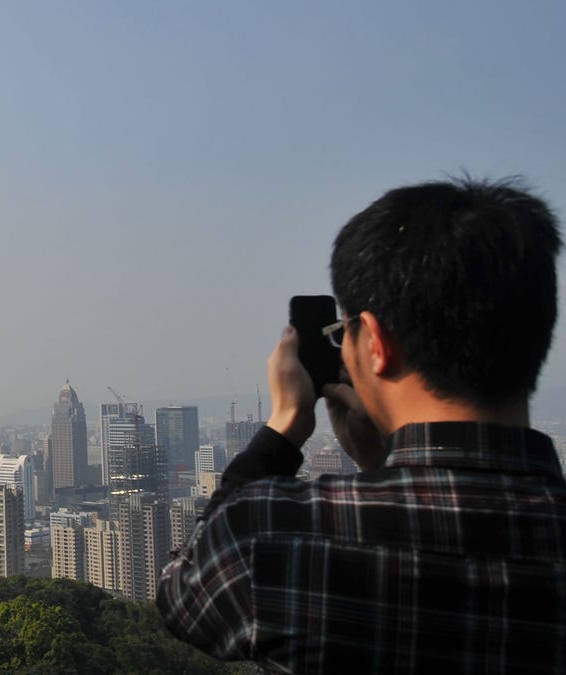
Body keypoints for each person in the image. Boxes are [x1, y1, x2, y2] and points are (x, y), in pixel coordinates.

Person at [157, 178, 565, 673]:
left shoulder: (277, 534)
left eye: (342, 330)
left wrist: (283, 429)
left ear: (373, 342)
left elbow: (185, 594)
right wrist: (386, 463)